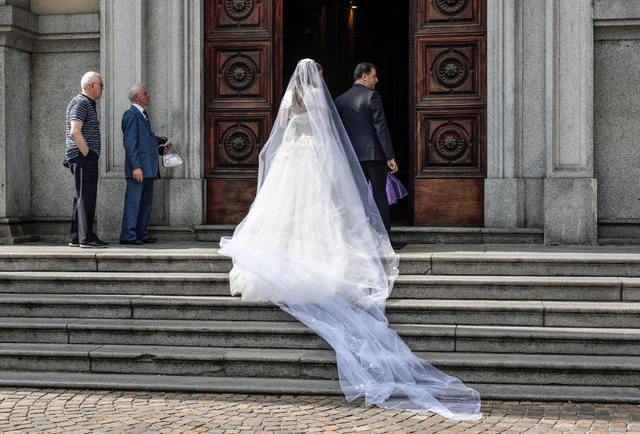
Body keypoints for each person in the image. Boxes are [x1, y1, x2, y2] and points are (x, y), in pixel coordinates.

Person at [220, 59, 481, 420]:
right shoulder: (317, 96)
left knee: (287, 209)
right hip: (318, 157)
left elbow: (281, 131)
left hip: (291, 160)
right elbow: (329, 132)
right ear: (316, 76)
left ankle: (280, 257)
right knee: (321, 209)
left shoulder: (292, 99)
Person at [335, 62, 397, 234]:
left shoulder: (339, 100)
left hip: (352, 155)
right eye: (374, 76)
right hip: (374, 154)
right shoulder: (373, 96)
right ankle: (383, 233)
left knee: (357, 195)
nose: (376, 80)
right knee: (379, 193)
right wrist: (390, 156)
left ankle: (359, 234)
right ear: (364, 76)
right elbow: (381, 127)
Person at [119, 83, 168, 245]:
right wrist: (136, 167)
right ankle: (129, 235)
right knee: (134, 203)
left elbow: (145, 142)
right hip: (139, 169)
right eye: (145, 93)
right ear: (136, 97)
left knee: (145, 204)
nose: (149, 95)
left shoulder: (143, 115)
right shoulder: (131, 115)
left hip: (148, 168)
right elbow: (130, 144)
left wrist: (161, 148)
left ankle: (140, 233)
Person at [64, 71, 109, 249]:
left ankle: (76, 236)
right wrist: (87, 153)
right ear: (91, 86)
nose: (102, 89)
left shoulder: (85, 103)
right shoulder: (81, 102)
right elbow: (75, 130)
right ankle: (86, 238)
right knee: (86, 196)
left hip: (81, 157)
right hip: (83, 157)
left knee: (80, 196)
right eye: (101, 85)